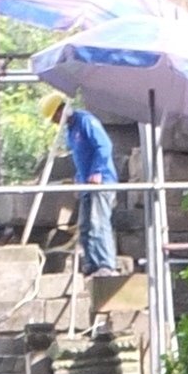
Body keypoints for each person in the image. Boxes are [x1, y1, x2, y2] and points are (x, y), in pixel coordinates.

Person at [47, 92, 120, 276]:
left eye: (55, 117)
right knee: (86, 226)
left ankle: (106, 264)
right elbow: (79, 159)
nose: (55, 122)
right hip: (86, 183)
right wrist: (79, 182)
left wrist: (97, 171)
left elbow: (104, 146)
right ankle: (91, 263)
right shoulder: (70, 131)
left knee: (99, 222)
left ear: (61, 110)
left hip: (101, 180)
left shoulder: (86, 121)